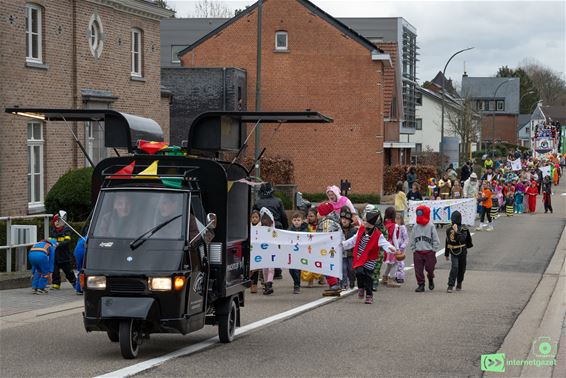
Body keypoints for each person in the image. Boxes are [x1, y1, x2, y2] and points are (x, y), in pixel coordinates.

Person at [342, 210, 397, 304]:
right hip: (359, 256)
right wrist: (343, 244)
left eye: (364, 220)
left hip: (370, 259)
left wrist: (391, 248)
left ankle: (369, 295)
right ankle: (360, 287)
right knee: (359, 273)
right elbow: (353, 240)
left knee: (368, 277)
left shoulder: (378, 235)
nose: (362, 222)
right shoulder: (361, 229)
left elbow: (385, 243)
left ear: (370, 223)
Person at [254, 182, 288, 280]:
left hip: (263, 229)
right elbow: (283, 216)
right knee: (276, 249)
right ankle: (276, 270)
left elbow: (255, 215)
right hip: (276, 227)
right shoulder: (278, 201)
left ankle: (263, 270)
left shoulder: (258, 202)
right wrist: (285, 228)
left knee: (263, 248)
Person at [410, 205, 440, 292]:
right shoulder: (415, 226)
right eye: (418, 213)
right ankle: (421, 284)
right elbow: (412, 239)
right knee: (418, 270)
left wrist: (434, 250)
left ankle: (430, 278)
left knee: (430, 268)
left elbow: (435, 239)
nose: (419, 215)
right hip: (418, 252)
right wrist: (414, 249)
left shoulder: (431, 226)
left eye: (421, 213)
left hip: (429, 252)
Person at [316, 202, 342, 296]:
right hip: (335, 249)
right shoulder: (333, 221)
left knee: (327, 266)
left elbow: (326, 236)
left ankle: (334, 284)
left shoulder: (326, 223)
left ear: (323, 213)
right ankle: (336, 283)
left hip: (328, 249)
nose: (317, 214)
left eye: (318, 212)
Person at [445, 211, 472, 293]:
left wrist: (456, 232)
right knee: (455, 267)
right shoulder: (449, 229)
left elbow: (462, 239)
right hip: (453, 250)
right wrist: (446, 253)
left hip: (462, 250)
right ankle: (450, 285)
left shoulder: (464, 229)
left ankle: (459, 282)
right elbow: (447, 241)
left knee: (462, 268)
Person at [50, 212, 76, 290]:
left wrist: (58, 244)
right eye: (55, 221)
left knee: (68, 271)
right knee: (55, 271)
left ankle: (75, 282)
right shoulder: (53, 231)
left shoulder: (66, 230)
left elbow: (67, 241)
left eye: (59, 221)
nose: (57, 223)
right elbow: (51, 241)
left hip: (64, 255)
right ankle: (56, 284)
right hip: (55, 255)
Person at [301, 207, 324, 287]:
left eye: (311, 216)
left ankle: (321, 277)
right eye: (308, 216)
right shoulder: (305, 225)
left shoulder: (320, 225)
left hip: (318, 248)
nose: (309, 218)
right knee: (308, 264)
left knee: (319, 263)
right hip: (308, 248)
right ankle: (310, 281)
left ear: (316, 216)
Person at [288, 212, 308, 294]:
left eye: (298, 220)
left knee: (296, 269)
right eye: (295, 220)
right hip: (292, 252)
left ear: (302, 221)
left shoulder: (305, 229)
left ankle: (297, 285)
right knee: (291, 270)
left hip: (300, 253)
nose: (296, 222)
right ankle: (296, 282)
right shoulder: (289, 230)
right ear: (292, 221)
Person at [382, 207, 401, 288]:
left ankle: (385, 277)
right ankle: (391, 279)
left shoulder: (384, 224)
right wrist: (397, 249)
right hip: (390, 245)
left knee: (389, 263)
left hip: (383, 245)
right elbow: (394, 238)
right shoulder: (394, 225)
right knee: (395, 263)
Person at [339, 206, 357, 290]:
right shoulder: (338, 230)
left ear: (350, 221)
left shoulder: (354, 230)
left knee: (351, 269)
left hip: (351, 254)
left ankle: (352, 280)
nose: (344, 220)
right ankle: (344, 283)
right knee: (343, 269)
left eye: (346, 219)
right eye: (342, 218)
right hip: (341, 254)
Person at [259, 207, 276, 295]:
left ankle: (269, 284)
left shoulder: (274, 229)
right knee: (265, 268)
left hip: (272, 251)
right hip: (264, 251)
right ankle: (267, 284)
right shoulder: (259, 229)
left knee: (270, 268)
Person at [393, 213, 409, 284]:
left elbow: (406, 239)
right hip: (393, 246)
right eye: (396, 218)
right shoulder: (393, 227)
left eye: (398, 219)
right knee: (393, 262)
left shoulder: (402, 228)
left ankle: (400, 276)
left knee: (400, 262)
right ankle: (393, 275)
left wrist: (402, 246)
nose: (397, 220)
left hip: (400, 246)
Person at [249, 210, 261, 294]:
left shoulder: (261, 228)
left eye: (256, 217)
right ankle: (250, 282)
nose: (254, 219)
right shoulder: (248, 227)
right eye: (253, 217)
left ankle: (254, 284)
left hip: (258, 250)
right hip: (250, 249)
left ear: (259, 218)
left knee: (256, 268)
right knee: (250, 268)